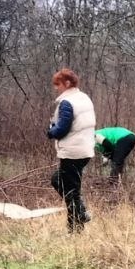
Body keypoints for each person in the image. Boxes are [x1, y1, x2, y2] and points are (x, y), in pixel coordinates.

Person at [46, 68, 96, 231]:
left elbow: (62, 130)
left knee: (69, 189)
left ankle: (77, 220)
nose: (56, 88)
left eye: (58, 84)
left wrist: (51, 131)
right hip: (85, 150)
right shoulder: (84, 97)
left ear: (67, 83)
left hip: (73, 152)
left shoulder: (67, 102)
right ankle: (78, 218)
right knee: (66, 185)